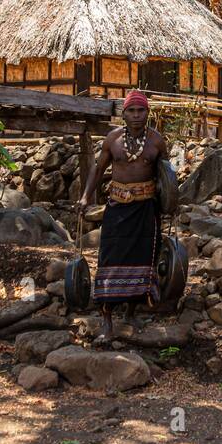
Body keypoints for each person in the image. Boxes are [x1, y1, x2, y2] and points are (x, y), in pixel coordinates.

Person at [77, 90, 166, 335]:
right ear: (123, 114)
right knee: (110, 258)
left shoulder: (157, 141)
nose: (137, 116)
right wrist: (85, 197)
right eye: (131, 111)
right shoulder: (113, 140)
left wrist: (170, 204)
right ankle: (106, 318)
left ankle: (130, 313)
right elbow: (97, 170)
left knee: (143, 259)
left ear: (148, 113)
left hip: (146, 209)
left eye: (141, 111)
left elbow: (165, 177)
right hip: (117, 208)